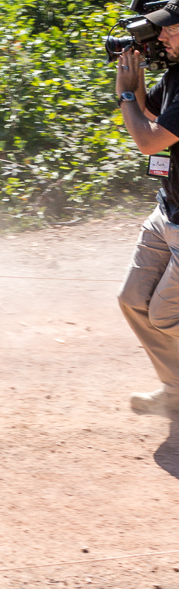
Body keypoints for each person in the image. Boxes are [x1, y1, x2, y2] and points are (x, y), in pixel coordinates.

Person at [113, 21, 179, 419]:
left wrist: (124, 93)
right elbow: (148, 112)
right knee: (133, 300)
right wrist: (132, 78)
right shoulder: (175, 74)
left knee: (165, 316)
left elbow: (148, 140)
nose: (163, 39)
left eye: (172, 31)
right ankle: (175, 392)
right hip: (169, 209)